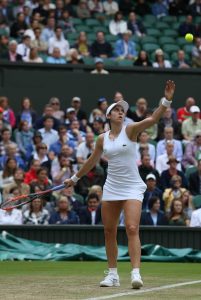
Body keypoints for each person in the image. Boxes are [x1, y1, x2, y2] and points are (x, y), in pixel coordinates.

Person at [64, 80, 175, 289]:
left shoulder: (131, 130)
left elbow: (153, 119)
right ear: (108, 116)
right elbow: (91, 162)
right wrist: (74, 178)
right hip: (112, 187)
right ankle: (113, 274)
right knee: (109, 231)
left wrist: (166, 100)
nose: (121, 112)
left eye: (123, 110)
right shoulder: (101, 139)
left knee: (132, 228)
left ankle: (135, 273)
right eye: (116, 110)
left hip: (132, 186)